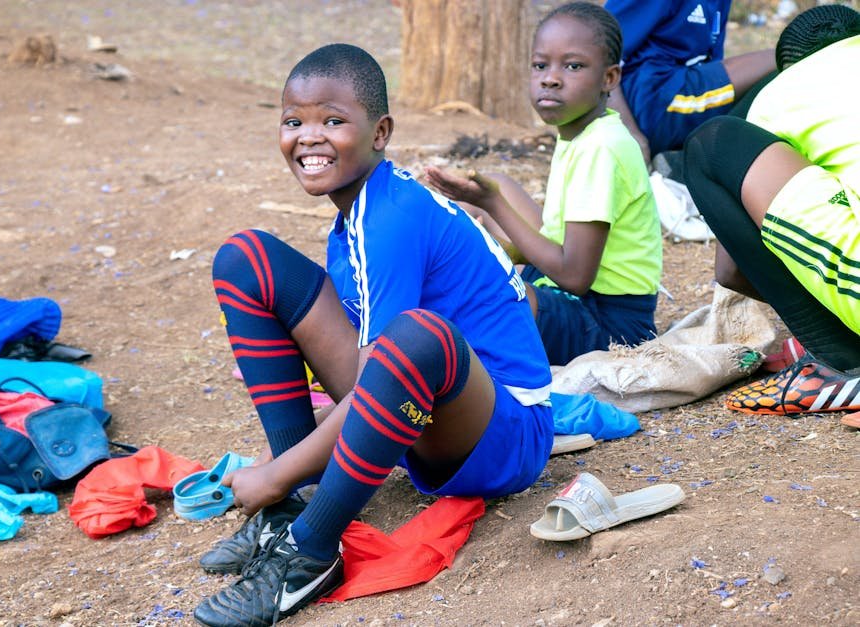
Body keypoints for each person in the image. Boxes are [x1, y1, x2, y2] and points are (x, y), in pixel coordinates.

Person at [194, 43, 554, 626]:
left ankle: (307, 550)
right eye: (294, 121)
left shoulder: (390, 215)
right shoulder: (359, 211)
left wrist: (270, 474)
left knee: (412, 335)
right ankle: (287, 509)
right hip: (426, 404)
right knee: (247, 258)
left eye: (333, 121)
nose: (310, 137)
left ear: (379, 132)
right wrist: (283, 468)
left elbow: (382, 370)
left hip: (504, 433)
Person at [426, 2, 661, 366]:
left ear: (609, 78)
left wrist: (494, 206)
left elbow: (575, 276)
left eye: (573, 66)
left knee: (493, 292)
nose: (550, 78)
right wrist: (502, 230)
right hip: (576, 292)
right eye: (540, 66)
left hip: (610, 325)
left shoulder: (602, 148)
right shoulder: (584, 134)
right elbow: (559, 245)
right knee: (500, 184)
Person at [683, 4, 860, 416]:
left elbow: (730, 272)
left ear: (789, 65)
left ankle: (840, 359)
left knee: (710, 145)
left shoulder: (779, 95)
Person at [604, 0, 776, 167]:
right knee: (777, 64)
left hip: (685, 97)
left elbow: (711, 66)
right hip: (651, 100)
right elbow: (601, 60)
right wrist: (629, 134)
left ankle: (684, 164)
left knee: (766, 88)